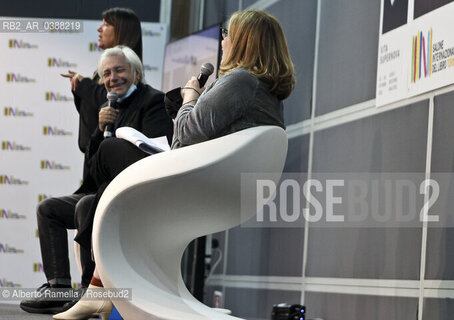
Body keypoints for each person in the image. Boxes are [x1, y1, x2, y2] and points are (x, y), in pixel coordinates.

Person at [52, 9, 295, 320]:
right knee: (93, 201)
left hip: (202, 185)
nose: (223, 42)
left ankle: (95, 287)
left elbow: (183, 140)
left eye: (228, 36)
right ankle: (97, 285)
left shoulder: (240, 81)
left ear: (244, 43)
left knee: (110, 152)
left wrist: (192, 96)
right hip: (220, 184)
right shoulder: (266, 91)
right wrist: (186, 108)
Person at [20, 46, 173, 316]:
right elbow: (92, 166)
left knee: (84, 207)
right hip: (100, 188)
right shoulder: (107, 106)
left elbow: (156, 152)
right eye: (106, 73)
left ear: (136, 73)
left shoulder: (154, 102)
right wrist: (100, 129)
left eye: (119, 70)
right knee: (49, 209)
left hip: (132, 192)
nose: (112, 77)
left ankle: (88, 290)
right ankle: (59, 289)